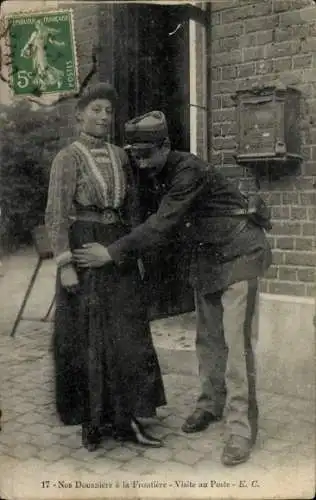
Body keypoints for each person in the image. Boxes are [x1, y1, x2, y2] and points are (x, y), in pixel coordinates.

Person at [73, 110, 272, 465]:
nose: (141, 162)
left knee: (237, 346)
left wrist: (112, 252)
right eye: (135, 155)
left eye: (147, 154)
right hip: (208, 259)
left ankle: (241, 429)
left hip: (240, 252)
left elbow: (162, 224)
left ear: (166, 146)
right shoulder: (154, 171)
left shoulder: (188, 171)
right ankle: (211, 405)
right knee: (208, 339)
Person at [45, 88, 166, 451]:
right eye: (95, 109)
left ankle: (127, 420)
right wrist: (65, 263)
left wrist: (132, 255)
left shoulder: (120, 156)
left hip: (115, 247)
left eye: (108, 111)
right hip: (84, 248)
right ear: (80, 115)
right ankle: (92, 421)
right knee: (90, 336)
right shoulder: (68, 158)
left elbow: (131, 209)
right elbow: (55, 214)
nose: (103, 117)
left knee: (127, 334)